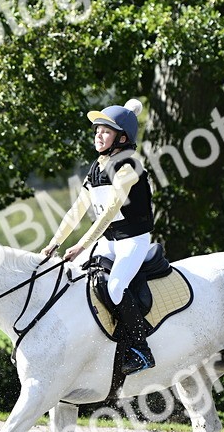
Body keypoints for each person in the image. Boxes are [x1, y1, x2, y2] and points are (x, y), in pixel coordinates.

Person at [41, 98, 156, 375]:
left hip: (134, 240)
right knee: (75, 277)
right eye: (97, 131)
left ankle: (141, 349)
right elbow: (77, 210)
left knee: (116, 287)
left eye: (105, 131)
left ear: (122, 137)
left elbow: (109, 212)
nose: (98, 135)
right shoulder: (97, 167)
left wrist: (82, 244)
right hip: (110, 240)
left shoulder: (128, 166)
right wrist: (54, 242)